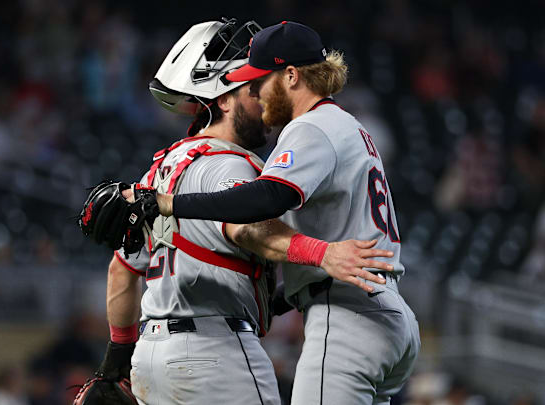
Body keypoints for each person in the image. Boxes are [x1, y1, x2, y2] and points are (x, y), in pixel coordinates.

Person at [77, 19, 393, 405]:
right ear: (223, 99)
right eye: (251, 91)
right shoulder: (231, 165)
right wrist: (322, 254)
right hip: (215, 353)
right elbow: (249, 228)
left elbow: (121, 271)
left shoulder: (159, 170)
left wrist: (115, 363)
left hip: (152, 357)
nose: (262, 100)